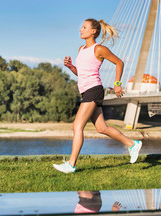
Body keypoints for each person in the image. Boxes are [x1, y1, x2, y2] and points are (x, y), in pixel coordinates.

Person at [53, 18, 142, 174]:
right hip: (86, 90)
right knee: (102, 128)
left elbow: (119, 63)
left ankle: (71, 164)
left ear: (93, 31)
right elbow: (81, 74)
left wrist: (117, 84)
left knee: (77, 126)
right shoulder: (81, 49)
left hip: (94, 90)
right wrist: (71, 67)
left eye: (84, 27)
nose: (80, 30)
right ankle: (132, 144)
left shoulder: (98, 49)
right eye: (81, 27)